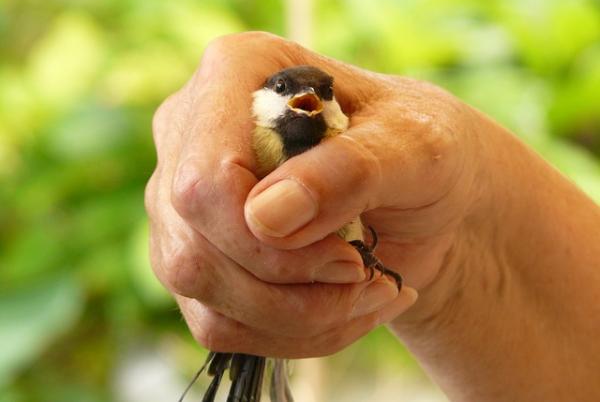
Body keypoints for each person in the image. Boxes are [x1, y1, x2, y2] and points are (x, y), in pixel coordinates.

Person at [144, 32, 600, 401]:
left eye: (323, 92)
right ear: (262, 100)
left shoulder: (340, 140)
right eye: (284, 90)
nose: (307, 97)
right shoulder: (254, 140)